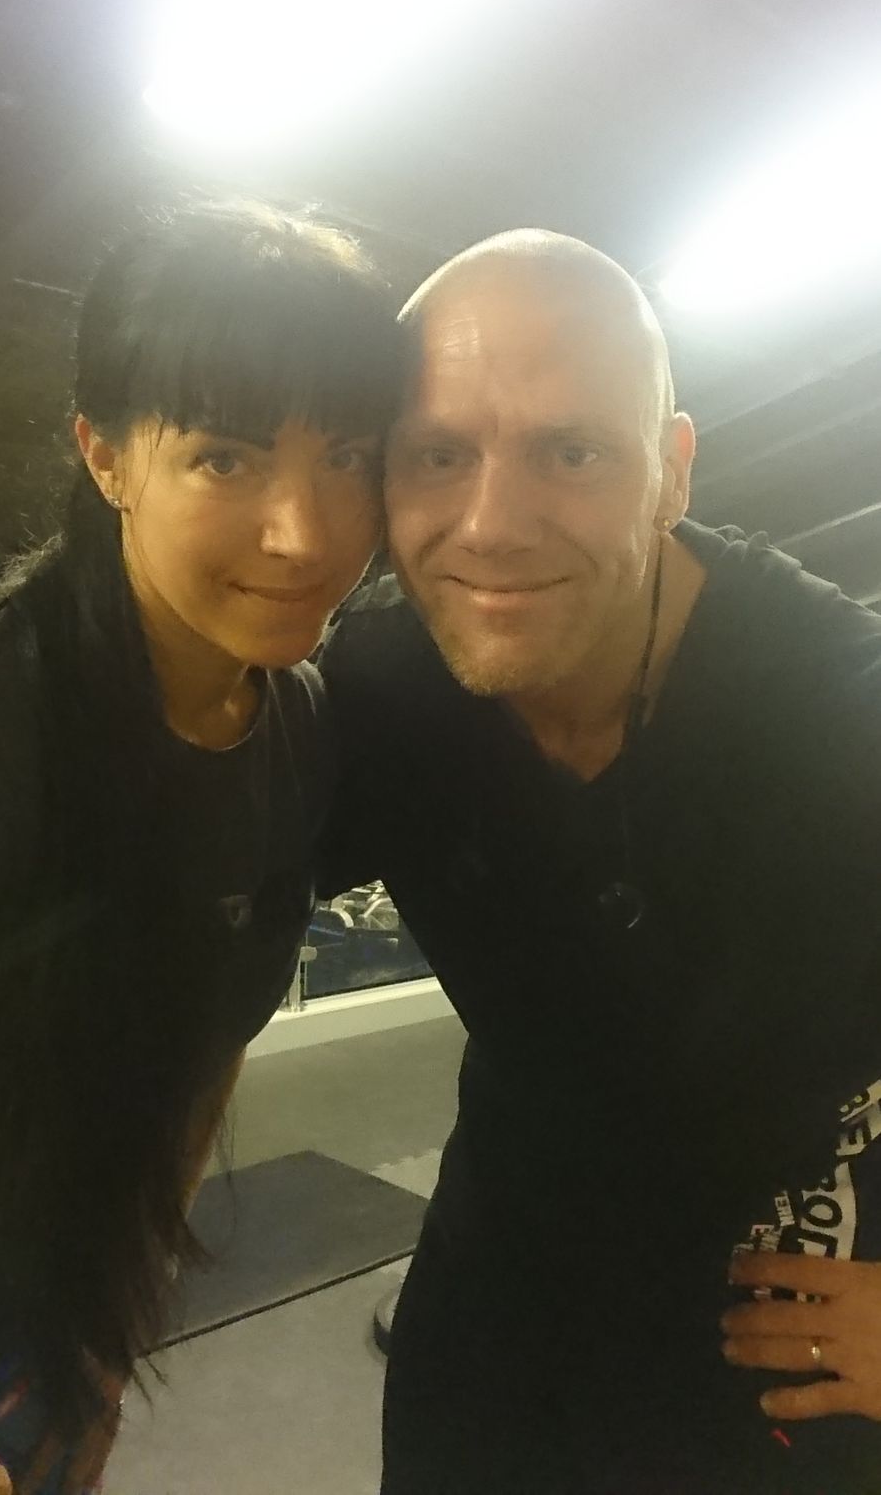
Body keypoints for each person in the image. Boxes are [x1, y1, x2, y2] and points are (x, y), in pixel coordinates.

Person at [319, 230, 881, 1493]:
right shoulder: (382, 685)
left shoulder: (843, 721)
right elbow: (159, 927)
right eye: (438, 455)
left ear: (669, 470)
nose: (490, 526)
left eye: (569, 452)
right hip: (497, 1300)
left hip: (777, 1318)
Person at [0, 202, 402, 1493]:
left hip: (41, 1319)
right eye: (224, 457)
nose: (303, 532)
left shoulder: (294, 724)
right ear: (106, 456)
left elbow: (201, 1049)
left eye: (346, 456)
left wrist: (106, 1335)